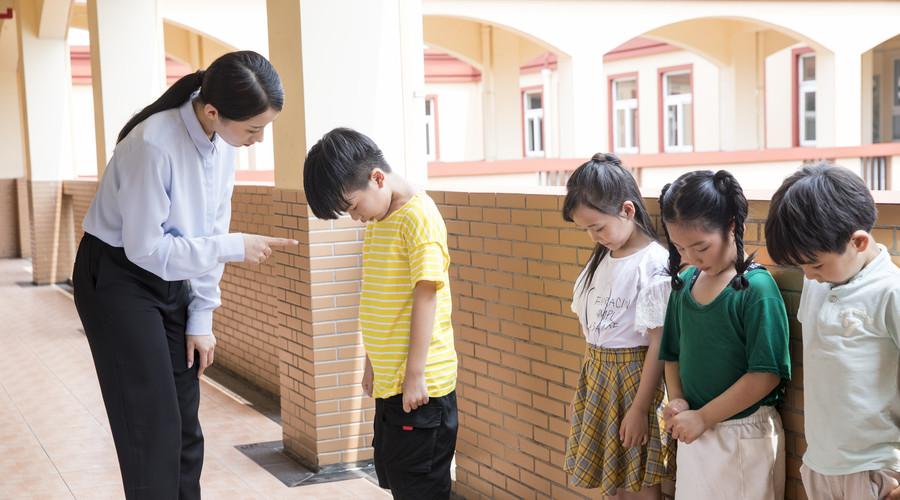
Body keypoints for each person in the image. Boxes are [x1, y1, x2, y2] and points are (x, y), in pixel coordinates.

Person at [73, 50, 294, 500]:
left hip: (171, 274)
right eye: (254, 129)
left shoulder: (223, 144)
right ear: (212, 110)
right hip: (118, 277)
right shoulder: (152, 145)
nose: (258, 140)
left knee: (184, 421)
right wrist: (236, 247)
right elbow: (147, 250)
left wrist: (201, 319)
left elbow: (209, 231)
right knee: (151, 424)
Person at [302, 127, 458, 499]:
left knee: (420, 488)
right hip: (393, 384)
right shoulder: (379, 220)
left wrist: (415, 374)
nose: (356, 218)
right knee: (399, 481)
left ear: (377, 178)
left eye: (353, 206)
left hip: (420, 390)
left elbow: (426, 297)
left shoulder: (419, 217)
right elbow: (379, 298)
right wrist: (373, 362)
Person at [766, 162, 900, 500]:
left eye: (815, 265)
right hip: (820, 464)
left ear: (857, 242)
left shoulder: (890, 292)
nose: (808, 276)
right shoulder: (820, 283)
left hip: (875, 469)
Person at [657, 170, 791, 499]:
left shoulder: (757, 289)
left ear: (731, 224)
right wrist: (678, 401)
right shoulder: (684, 284)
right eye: (679, 247)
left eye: (701, 247)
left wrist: (704, 416)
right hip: (696, 431)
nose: (689, 258)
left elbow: (766, 375)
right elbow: (671, 355)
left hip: (744, 435)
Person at [562, 153, 675, 499]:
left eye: (598, 227)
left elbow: (659, 343)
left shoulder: (653, 263)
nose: (594, 237)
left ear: (627, 210)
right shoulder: (602, 259)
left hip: (635, 383)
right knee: (614, 485)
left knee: (640, 483)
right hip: (599, 376)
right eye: (587, 230)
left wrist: (640, 408)